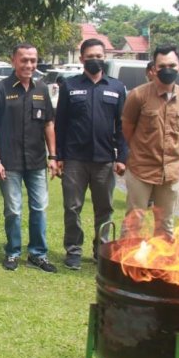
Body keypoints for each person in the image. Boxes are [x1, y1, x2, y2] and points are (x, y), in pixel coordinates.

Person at [54, 38, 127, 270]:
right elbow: (60, 124)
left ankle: (101, 250)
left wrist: (122, 158)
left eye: (99, 55)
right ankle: (73, 250)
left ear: (103, 57)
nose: (95, 59)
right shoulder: (70, 85)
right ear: (82, 58)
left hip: (105, 160)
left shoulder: (116, 87)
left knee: (104, 208)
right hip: (75, 159)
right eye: (90, 56)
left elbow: (122, 127)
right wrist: (58, 157)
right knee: (72, 207)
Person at [0, 43, 58, 273]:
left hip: (37, 161)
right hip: (9, 162)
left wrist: (53, 156)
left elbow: (49, 123)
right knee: (14, 209)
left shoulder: (42, 88)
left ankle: (38, 254)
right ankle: (13, 252)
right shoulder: (0, 90)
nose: (29, 65)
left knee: (39, 208)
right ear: (13, 61)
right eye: (24, 60)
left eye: (33, 60)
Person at [121, 45, 179, 240]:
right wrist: (141, 149)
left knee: (165, 225)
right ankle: (124, 268)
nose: (167, 70)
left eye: (172, 65)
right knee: (133, 223)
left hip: (170, 172)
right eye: (162, 66)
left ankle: (161, 267)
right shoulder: (138, 95)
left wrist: (171, 149)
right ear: (153, 69)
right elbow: (127, 129)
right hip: (141, 170)